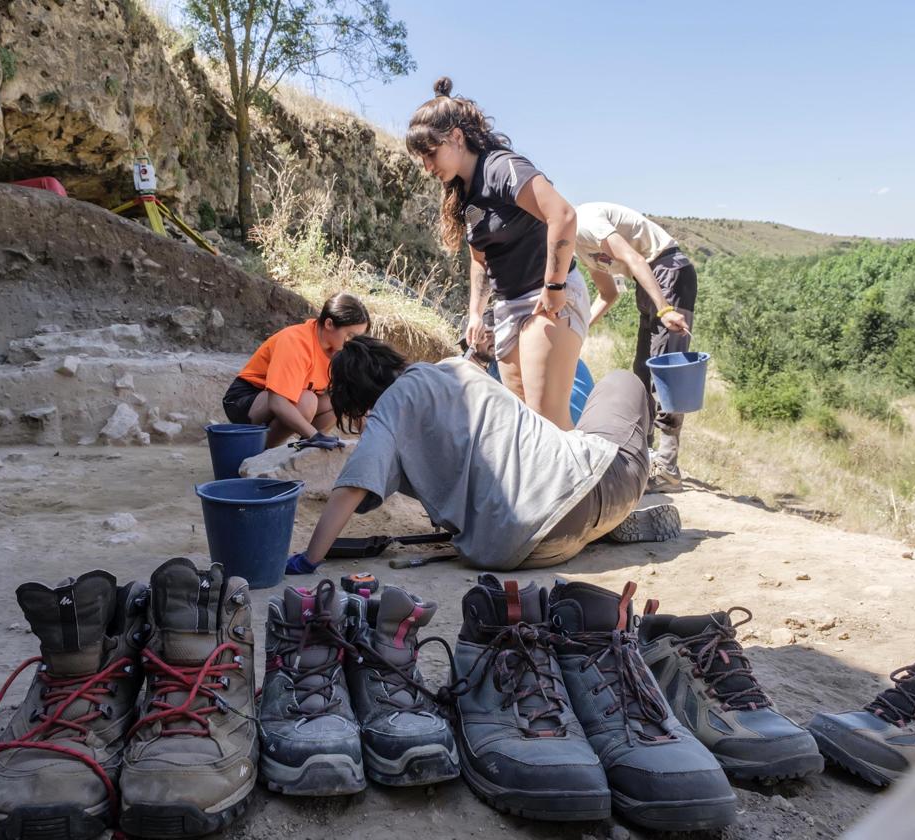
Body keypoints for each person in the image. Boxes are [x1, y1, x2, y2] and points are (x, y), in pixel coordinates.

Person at [285, 336, 680, 575]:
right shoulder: (454, 369)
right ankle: (619, 507)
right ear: (391, 362)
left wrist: (309, 559)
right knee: (622, 382)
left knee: (568, 468)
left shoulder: (391, 414)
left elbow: (354, 485)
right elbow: (356, 484)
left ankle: (599, 525)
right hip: (590, 491)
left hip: (515, 551)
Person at [407, 77, 587, 429]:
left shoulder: (501, 167)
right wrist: (475, 313)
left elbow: (563, 216)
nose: (427, 167)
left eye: (430, 154)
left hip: (544, 298)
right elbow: (479, 261)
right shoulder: (464, 193)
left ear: (456, 138)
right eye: (421, 159)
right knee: (522, 426)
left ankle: (585, 482)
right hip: (507, 308)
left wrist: (554, 288)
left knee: (545, 424)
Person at [574, 202, 694, 491]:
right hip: (649, 281)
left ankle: (667, 467)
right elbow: (608, 292)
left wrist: (665, 310)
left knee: (666, 371)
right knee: (642, 372)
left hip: (667, 270)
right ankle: (643, 456)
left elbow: (635, 259)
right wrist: (580, 329)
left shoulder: (585, 222)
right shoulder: (578, 248)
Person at [222, 292, 369, 448]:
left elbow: (353, 401)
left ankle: (304, 452)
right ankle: (257, 453)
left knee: (337, 402)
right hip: (247, 401)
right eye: (350, 335)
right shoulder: (296, 341)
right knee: (306, 401)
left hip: (288, 400)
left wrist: (371, 440)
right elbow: (277, 402)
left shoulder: (341, 351)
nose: (355, 343)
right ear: (329, 324)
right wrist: (314, 435)